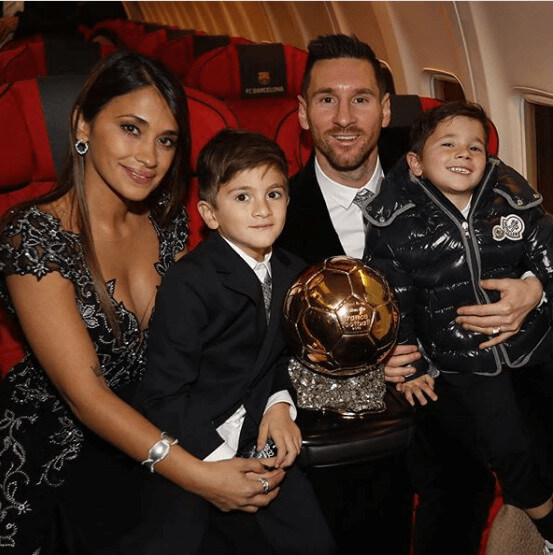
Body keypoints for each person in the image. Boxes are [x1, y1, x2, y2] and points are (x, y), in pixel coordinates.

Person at [0, 51, 285, 554]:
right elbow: (85, 398)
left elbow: (196, 345)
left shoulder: (168, 221)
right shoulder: (33, 235)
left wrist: (274, 403)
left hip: (159, 418)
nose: (149, 157)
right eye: (131, 128)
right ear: (83, 124)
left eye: (166, 140)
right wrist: (200, 476)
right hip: (62, 445)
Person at [276, 33, 545, 554]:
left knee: (464, 484)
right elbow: (267, 348)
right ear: (304, 114)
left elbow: (534, 232)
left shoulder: (445, 159)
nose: (345, 118)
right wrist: (363, 371)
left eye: (360, 99)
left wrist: (533, 290)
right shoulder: (277, 212)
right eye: (326, 99)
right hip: (349, 407)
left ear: (383, 109)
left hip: (459, 376)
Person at [129, 128, 335, 554]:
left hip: (261, 436)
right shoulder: (190, 282)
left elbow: (282, 357)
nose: (262, 209)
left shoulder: (296, 273)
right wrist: (219, 465)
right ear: (210, 213)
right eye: (242, 197)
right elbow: (163, 396)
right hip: (194, 444)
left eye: (274, 194)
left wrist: (279, 405)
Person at [363, 100, 553, 553]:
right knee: (508, 447)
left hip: (534, 340)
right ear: (416, 163)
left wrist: (538, 287)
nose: (464, 153)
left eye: (475, 146)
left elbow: (546, 252)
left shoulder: (510, 199)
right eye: (447, 144)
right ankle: (548, 527)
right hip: (463, 356)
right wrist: (411, 368)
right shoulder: (396, 224)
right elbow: (394, 303)